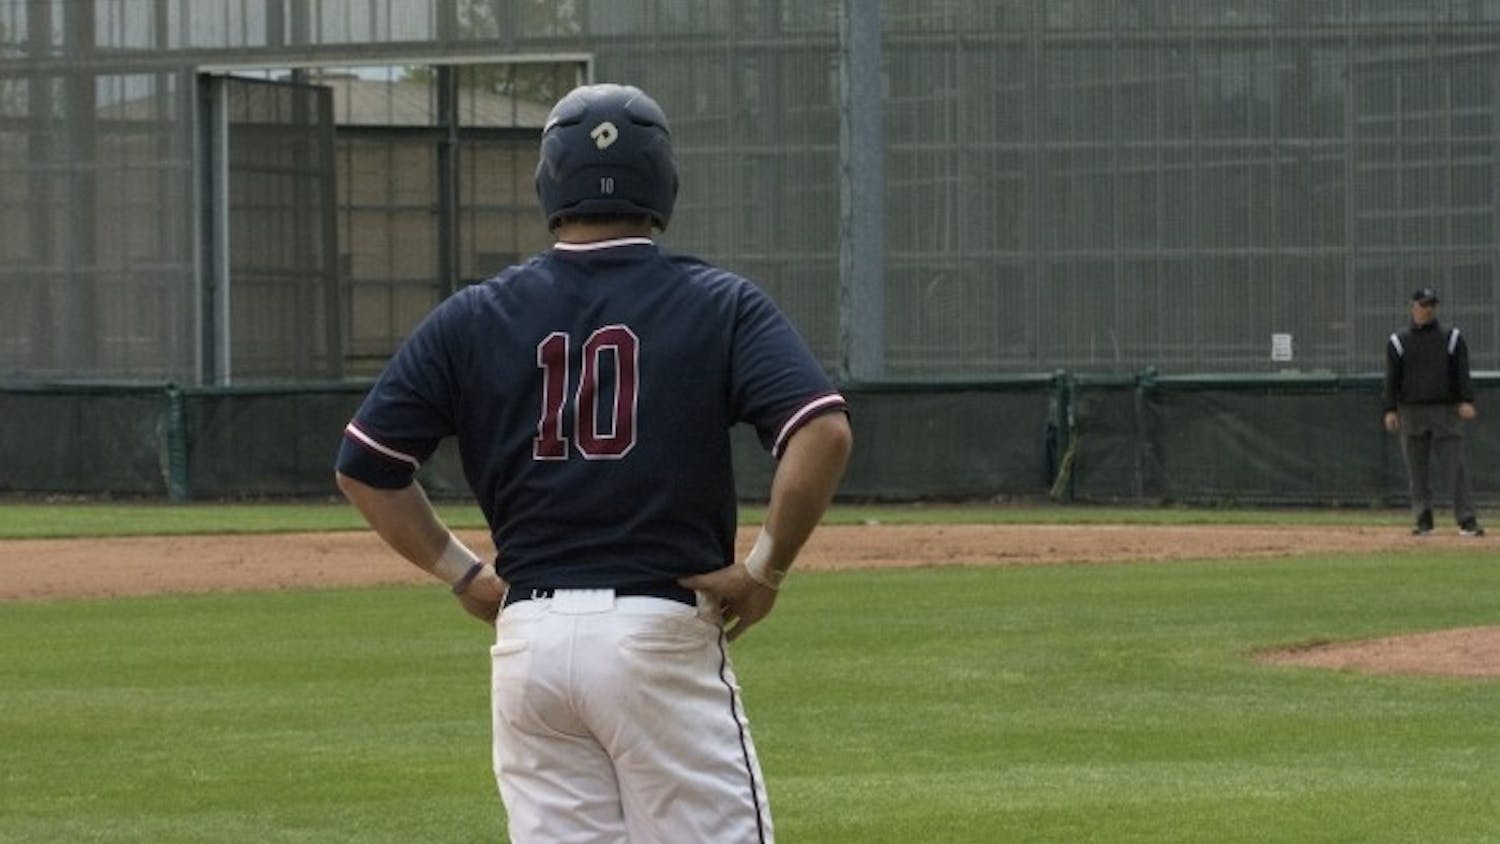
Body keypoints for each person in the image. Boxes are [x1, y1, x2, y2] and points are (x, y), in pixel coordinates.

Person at [334, 82, 853, 843]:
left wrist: (464, 574)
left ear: (549, 181)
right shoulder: (719, 303)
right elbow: (822, 432)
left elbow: (365, 464)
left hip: (531, 648)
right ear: (662, 181)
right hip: (656, 634)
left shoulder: (475, 315)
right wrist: (765, 569)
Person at [1382, 286, 1483, 537]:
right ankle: (1423, 518)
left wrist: (1466, 399)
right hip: (1412, 410)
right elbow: (1391, 378)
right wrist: (1390, 409)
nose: (1428, 310)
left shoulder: (1451, 337)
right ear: (1413, 307)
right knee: (1417, 469)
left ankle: (1466, 519)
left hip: (1445, 410)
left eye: (1431, 306)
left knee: (1455, 466)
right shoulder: (1399, 341)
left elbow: (1461, 371)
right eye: (1424, 305)